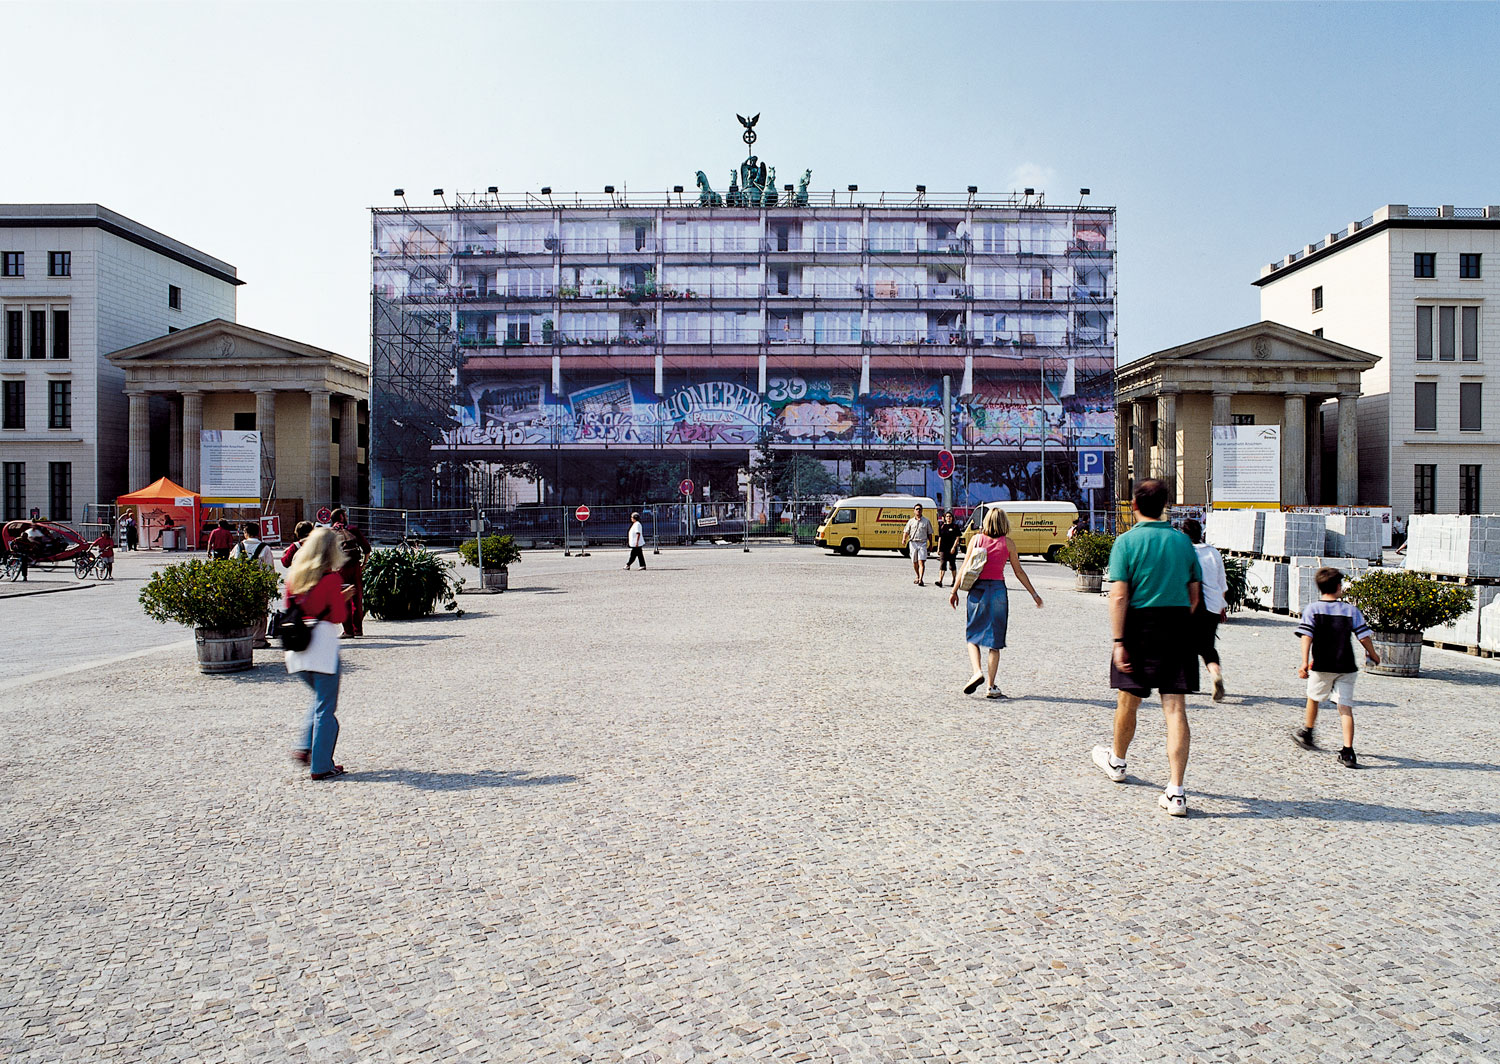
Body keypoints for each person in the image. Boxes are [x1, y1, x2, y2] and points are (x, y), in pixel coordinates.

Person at [1090, 479, 1202, 817]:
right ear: (1165, 505)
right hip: (1177, 625)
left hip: (1138, 627)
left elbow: (1119, 595)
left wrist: (1119, 641)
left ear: (1134, 506)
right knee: (1175, 710)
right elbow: (1195, 597)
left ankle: (1118, 761)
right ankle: (1176, 791)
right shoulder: (1184, 542)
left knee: (1128, 700)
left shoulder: (1125, 542)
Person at [949, 507, 1043, 698]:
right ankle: (991, 687)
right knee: (995, 641)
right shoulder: (1008, 544)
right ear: (1004, 523)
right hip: (998, 591)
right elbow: (1019, 572)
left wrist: (954, 591)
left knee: (972, 635)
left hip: (978, 590)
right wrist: (1034, 594)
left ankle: (977, 672)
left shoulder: (976, 540)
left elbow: (965, 568)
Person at [1293, 567, 1380, 769]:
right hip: (1346, 665)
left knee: (1313, 697)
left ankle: (1308, 731)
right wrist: (1373, 654)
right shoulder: (1351, 611)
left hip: (1322, 664)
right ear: (1339, 587)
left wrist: (1304, 661)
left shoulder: (1312, 609)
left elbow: (1307, 636)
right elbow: (1363, 636)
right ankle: (1348, 751)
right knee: (1345, 707)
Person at [284, 527, 353, 780]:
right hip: (322, 647)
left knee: (319, 701)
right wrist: (342, 597)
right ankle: (321, 765)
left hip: (297, 649)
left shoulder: (294, 577)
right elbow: (337, 616)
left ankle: (305, 746)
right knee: (326, 707)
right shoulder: (330, 579)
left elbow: (294, 608)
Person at [1180, 518, 1228, 702]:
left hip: (1191, 604)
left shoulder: (1184, 553)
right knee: (1208, 646)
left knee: (1187, 645)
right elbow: (1221, 582)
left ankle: (1190, 684)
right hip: (1213, 605)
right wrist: (1222, 606)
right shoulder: (1213, 552)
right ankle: (1215, 672)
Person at [232, 522, 276, 648]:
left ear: (245, 534)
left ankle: (244, 637)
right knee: (260, 613)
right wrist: (271, 586)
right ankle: (258, 639)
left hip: (243, 585)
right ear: (258, 533)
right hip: (260, 585)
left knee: (243, 612)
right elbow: (270, 568)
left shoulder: (238, 547)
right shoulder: (265, 548)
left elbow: (232, 565)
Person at [330, 508, 371, 637]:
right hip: (355, 566)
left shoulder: (330, 533)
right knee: (357, 598)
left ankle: (348, 630)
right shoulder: (352, 529)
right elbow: (367, 549)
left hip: (340, 568)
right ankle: (358, 629)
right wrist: (364, 564)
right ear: (342, 517)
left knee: (344, 598)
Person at [901, 503, 933, 586]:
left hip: (922, 543)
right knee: (915, 562)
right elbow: (906, 531)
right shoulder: (911, 521)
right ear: (914, 511)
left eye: (920, 509)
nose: (918, 510)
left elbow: (930, 533)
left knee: (921, 562)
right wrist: (904, 539)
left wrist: (931, 544)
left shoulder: (926, 521)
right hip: (913, 543)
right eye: (917, 509)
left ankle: (921, 579)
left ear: (922, 510)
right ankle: (918, 576)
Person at [933, 510, 961, 588]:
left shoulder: (955, 527)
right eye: (947, 516)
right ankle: (940, 581)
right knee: (942, 564)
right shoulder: (942, 526)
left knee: (952, 565)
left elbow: (957, 538)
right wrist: (938, 549)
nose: (948, 518)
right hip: (943, 548)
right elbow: (940, 538)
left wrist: (954, 547)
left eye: (950, 516)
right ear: (945, 518)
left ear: (952, 518)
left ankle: (954, 580)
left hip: (951, 548)